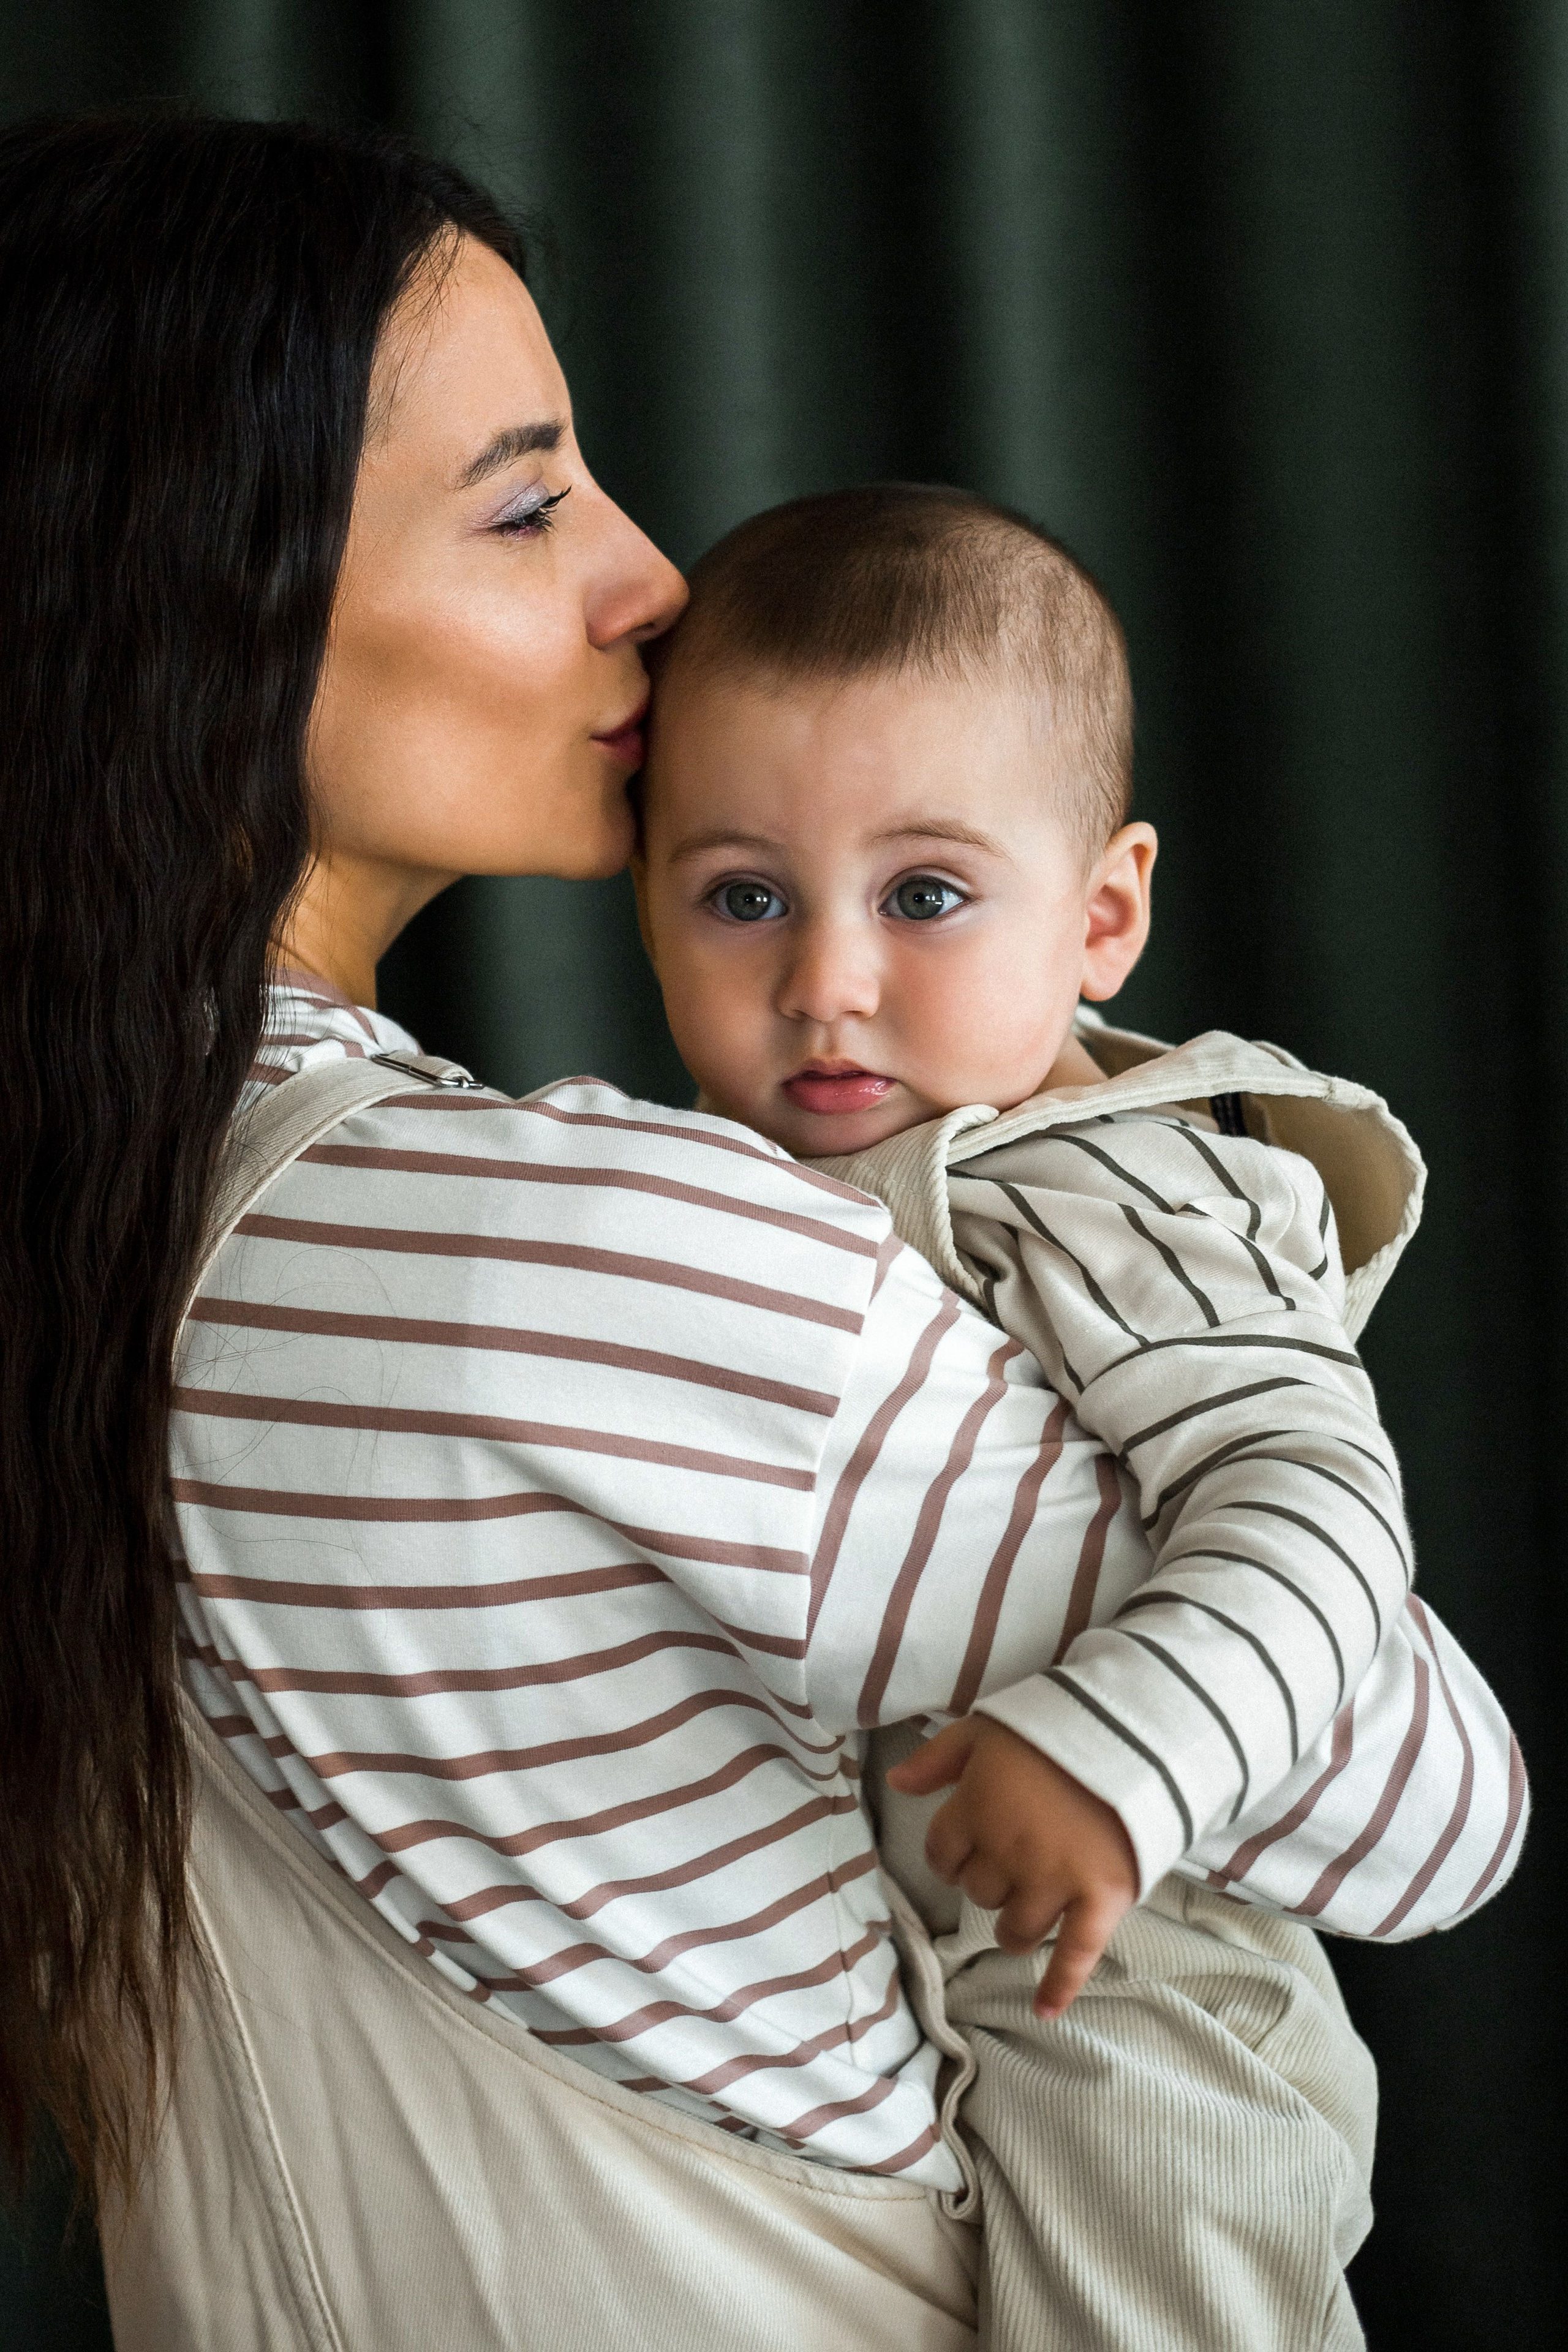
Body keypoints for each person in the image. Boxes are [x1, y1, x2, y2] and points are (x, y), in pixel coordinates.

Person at [0, 114, 1522, 2352]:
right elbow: (1432, 1806)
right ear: (196, 592)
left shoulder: (80, 1240)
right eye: (527, 506)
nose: (649, 580)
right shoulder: (572, 1260)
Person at [628, 483, 1530, 2348]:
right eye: (743, 899)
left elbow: (1322, 1510)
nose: (826, 986)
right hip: (907, 1968)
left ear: (1106, 914)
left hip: (1141, 1986)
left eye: (928, 896)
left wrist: (1124, 1757)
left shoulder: (1122, 1190)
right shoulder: (726, 1191)